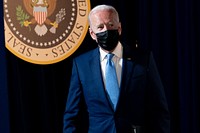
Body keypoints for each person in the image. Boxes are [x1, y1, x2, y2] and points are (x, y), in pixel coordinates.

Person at [63, 4, 170, 133]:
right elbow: (72, 115)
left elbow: (159, 109)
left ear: (119, 28)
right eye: (100, 27)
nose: (106, 30)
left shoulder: (143, 59)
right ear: (92, 33)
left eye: (111, 25)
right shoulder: (81, 64)